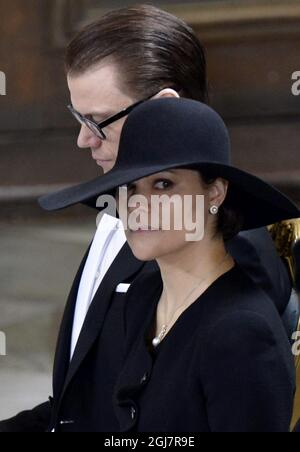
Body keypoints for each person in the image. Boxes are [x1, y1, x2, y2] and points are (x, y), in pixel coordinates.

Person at [0, 5, 293, 432]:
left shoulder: (234, 275)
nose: (83, 139)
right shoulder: (145, 275)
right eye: (77, 118)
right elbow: (85, 407)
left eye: (96, 121)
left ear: (163, 107)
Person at [61, 98, 298, 432]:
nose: (138, 206)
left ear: (215, 193)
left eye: (163, 184)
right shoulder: (142, 296)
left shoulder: (241, 332)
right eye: (129, 187)